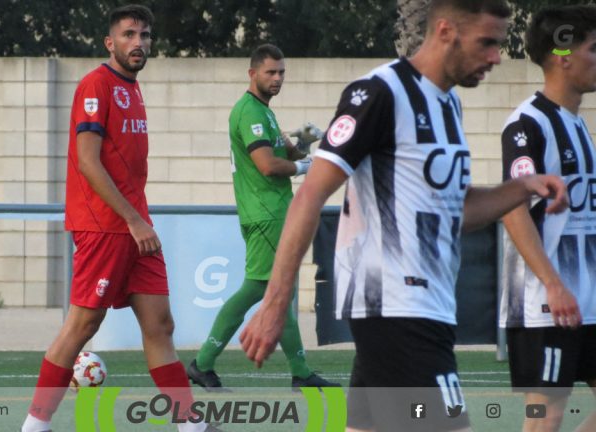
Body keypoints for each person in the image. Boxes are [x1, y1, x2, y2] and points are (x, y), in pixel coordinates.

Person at [239, 1, 570, 431]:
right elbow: (310, 196)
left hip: (426, 307)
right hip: (396, 307)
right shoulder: (379, 93)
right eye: (486, 43)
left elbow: (457, 210)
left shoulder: (448, 105)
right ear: (446, 31)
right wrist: (275, 304)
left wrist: (522, 188)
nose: (496, 57)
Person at [21, 5, 218, 432]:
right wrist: (133, 220)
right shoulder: (96, 84)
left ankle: (189, 424)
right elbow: (88, 163)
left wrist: (137, 220)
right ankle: (35, 425)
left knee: (160, 324)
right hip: (105, 225)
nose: (139, 43)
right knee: (84, 323)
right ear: (110, 43)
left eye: (144, 35)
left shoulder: (133, 87)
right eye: (129, 35)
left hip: (134, 226)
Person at [186, 44, 339, 391]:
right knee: (258, 287)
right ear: (252, 73)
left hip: (274, 213)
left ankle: (300, 372)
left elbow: (285, 150)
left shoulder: (264, 112)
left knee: (280, 291)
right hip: (266, 213)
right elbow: (269, 165)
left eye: (282, 72)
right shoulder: (250, 112)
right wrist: (306, 166)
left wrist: (306, 141)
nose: (278, 78)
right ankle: (202, 362)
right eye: (271, 72)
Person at [499, 6, 596, 432]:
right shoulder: (527, 124)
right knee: (545, 420)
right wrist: (554, 285)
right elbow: (513, 207)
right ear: (563, 54)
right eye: (594, 48)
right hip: (546, 304)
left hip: (588, 301)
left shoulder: (578, 126)